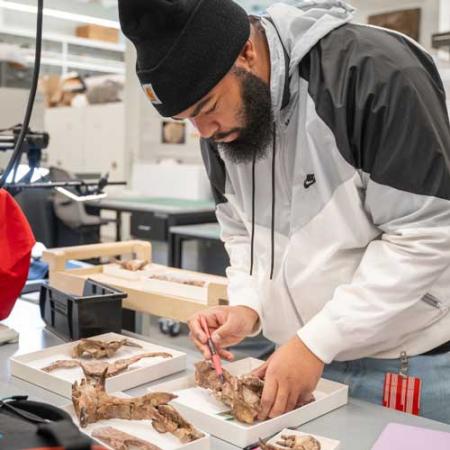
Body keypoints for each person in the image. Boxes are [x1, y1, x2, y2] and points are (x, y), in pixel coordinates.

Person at [118, 0, 450, 423]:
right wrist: (247, 306)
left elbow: (426, 233)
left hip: (403, 364)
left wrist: (316, 342)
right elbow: (240, 230)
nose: (204, 132)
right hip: (299, 361)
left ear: (246, 52)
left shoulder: (373, 74)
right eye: (187, 119)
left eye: (206, 107)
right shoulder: (225, 125)